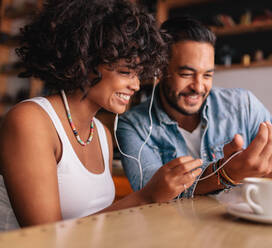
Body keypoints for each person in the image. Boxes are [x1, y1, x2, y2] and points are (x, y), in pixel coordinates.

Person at [0, 1, 202, 231]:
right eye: (125, 72)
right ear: (83, 62)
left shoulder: (103, 135)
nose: (136, 85)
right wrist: (146, 196)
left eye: (138, 74)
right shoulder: (30, 121)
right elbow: (44, 237)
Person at [116, 17, 272, 198]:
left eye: (207, 75)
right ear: (159, 70)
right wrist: (225, 174)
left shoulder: (244, 105)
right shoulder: (133, 125)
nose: (198, 86)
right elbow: (150, 191)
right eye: (186, 74)